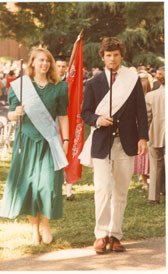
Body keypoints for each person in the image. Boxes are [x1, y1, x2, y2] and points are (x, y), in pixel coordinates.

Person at [80, 37, 148, 254]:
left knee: (120, 191)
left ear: (121, 56)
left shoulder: (133, 80)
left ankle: (115, 235)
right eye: (108, 55)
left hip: (126, 142)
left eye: (116, 55)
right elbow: (85, 113)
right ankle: (100, 235)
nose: (112, 59)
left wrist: (143, 138)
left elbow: (141, 111)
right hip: (102, 143)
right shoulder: (92, 84)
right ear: (102, 57)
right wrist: (97, 120)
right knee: (102, 189)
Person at [0, 47, 69, 246]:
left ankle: (46, 225)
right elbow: (10, 115)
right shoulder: (20, 87)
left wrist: (66, 140)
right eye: (40, 60)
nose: (44, 64)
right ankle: (34, 230)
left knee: (46, 185)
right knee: (29, 185)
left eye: (47, 61)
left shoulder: (59, 88)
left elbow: (63, 116)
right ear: (32, 63)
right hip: (26, 142)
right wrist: (16, 113)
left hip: (49, 142)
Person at [145, 67, 165, 204]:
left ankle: (154, 196)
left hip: (156, 133)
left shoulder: (151, 96)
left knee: (155, 164)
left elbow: (147, 118)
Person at [55, 55, 74, 201]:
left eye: (63, 66)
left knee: (67, 153)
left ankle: (69, 189)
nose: (61, 69)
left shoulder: (70, 83)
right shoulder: (50, 82)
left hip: (67, 121)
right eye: (58, 66)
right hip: (53, 123)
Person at [134, 71, 151, 189]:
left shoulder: (136, 100)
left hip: (138, 131)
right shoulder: (150, 98)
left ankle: (144, 181)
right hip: (149, 131)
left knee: (141, 156)